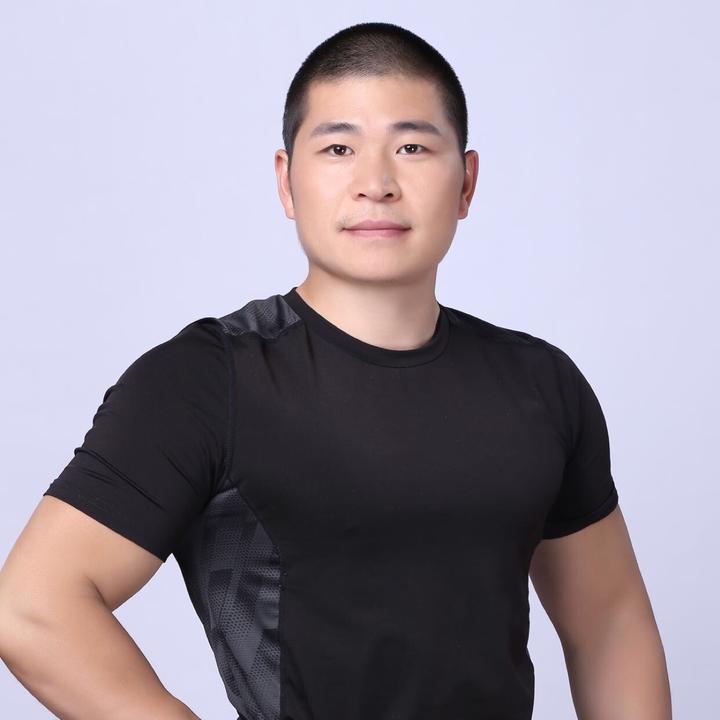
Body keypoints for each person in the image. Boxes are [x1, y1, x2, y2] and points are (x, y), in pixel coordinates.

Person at [0, 21, 671, 720]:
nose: (376, 184)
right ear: (287, 182)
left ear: (466, 183)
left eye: (412, 147)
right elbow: (32, 606)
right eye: (339, 148)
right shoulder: (207, 381)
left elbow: (610, 624)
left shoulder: (541, 385)